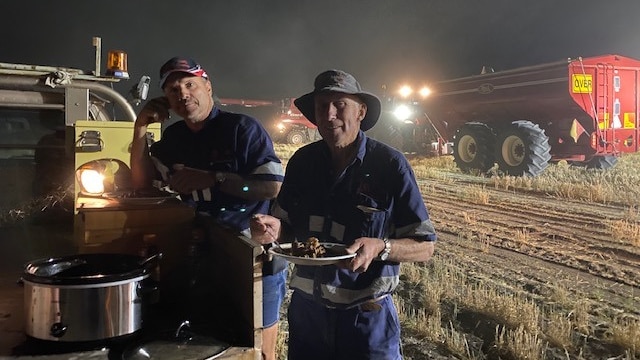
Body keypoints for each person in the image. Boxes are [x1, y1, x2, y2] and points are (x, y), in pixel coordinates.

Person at [250, 69, 437, 360]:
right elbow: (284, 226)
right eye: (322, 105)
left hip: (365, 318)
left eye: (340, 104)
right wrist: (271, 229)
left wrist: (381, 247)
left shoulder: (389, 164)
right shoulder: (303, 162)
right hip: (308, 314)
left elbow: (425, 246)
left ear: (361, 111)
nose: (329, 114)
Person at [130, 56, 287, 360]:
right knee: (213, 335)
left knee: (257, 340)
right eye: (174, 90)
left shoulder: (242, 128)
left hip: (250, 251)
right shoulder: (174, 138)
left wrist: (215, 179)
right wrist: (140, 129)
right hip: (202, 252)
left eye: (190, 84)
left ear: (208, 87)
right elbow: (141, 182)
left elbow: (271, 186)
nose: (183, 94)